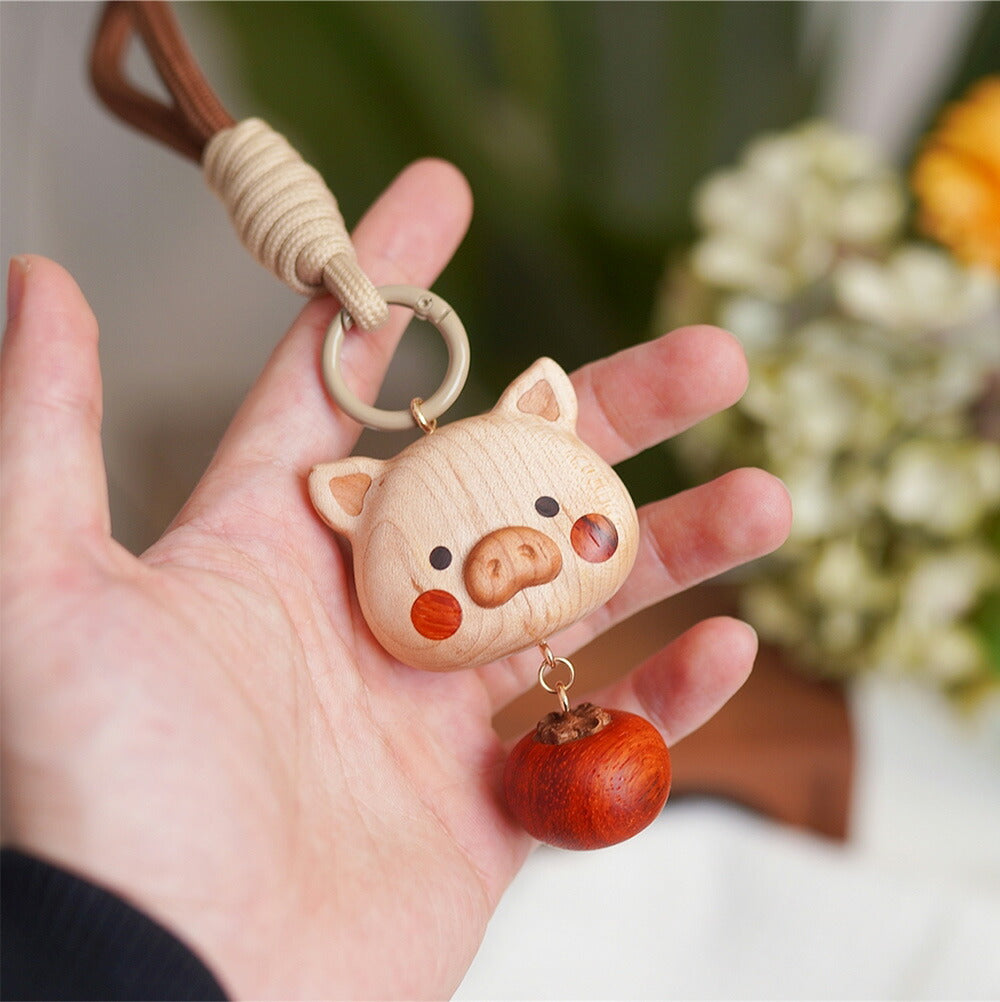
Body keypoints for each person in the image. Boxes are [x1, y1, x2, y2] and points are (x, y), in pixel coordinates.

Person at [0, 159, 792, 1000]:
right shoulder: (367, 502)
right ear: (354, 502)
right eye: (439, 562)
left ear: (544, 411)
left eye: (548, 508)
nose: (507, 559)